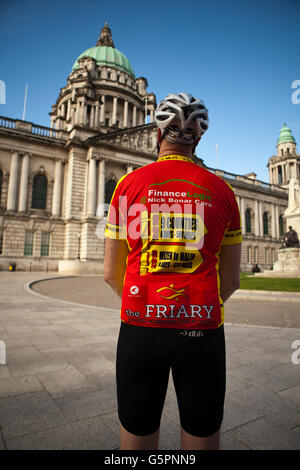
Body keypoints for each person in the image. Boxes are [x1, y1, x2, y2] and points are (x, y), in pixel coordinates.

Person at [104, 93, 242, 450]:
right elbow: (231, 280)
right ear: (198, 140)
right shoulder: (224, 192)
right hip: (203, 330)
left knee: (136, 437)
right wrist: (193, 305)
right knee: (202, 436)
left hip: (140, 329)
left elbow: (109, 272)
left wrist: (147, 305)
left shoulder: (126, 185)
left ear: (156, 134)